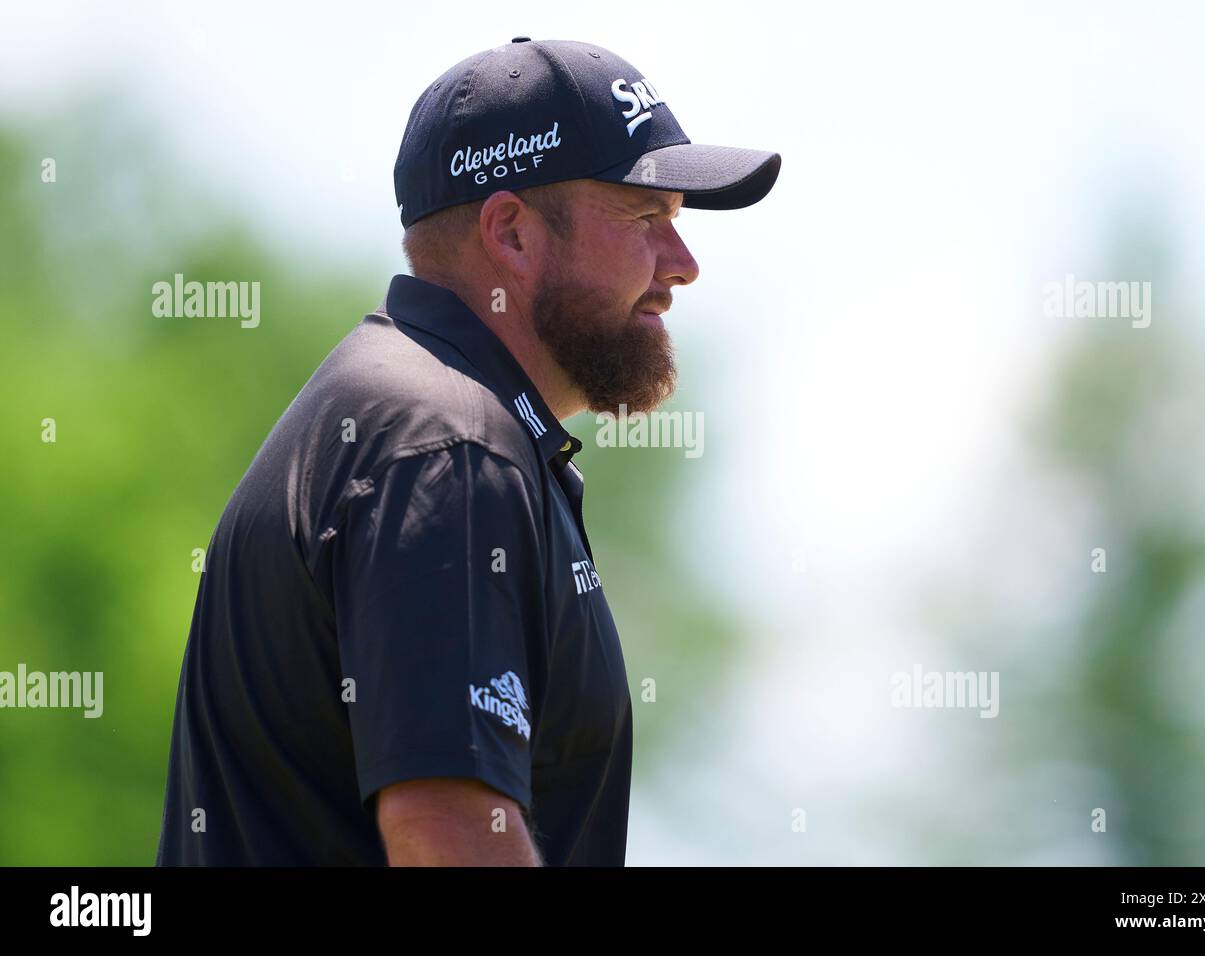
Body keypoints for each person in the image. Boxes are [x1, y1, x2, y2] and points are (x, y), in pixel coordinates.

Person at [155, 36, 780, 866]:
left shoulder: (418, 420)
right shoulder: (448, 446)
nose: (685, 263)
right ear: (512, 235)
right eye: (646, 216)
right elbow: (444, 834)